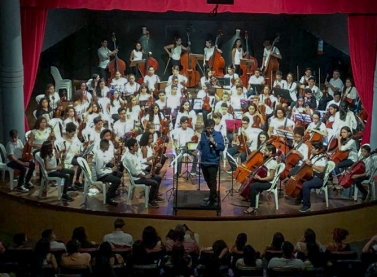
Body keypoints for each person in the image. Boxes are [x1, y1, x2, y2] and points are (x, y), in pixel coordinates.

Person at [122, 138, 163, 208]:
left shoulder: (135, 154)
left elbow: (142, 160)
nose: (138, 146)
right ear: (131, 147)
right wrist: (145, 176)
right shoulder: (128, 158)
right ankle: (150, 201)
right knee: (154, 183)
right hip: (136, 178)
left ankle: (154, 196)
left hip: (141, 173)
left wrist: (153, 156)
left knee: (158, 178)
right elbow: (134, 172)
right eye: (136, 145)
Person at [193, 119, 225, 207]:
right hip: (204, 161)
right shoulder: (203, 134)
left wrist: (214, 142)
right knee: (207, 180)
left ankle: (212, 200)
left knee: (212, 181)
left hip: (213, 162)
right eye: (208, 128)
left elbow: (222, 147)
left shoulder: (218, 135)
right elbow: (201, 143)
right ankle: (213, 195)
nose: (210, 130)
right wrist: (197, 149)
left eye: (211, 128)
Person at [244, 144, 278, 214]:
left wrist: (260, 179)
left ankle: (252, 206)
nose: (264, 152)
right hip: (264, 180)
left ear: (271, 152)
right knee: (251, 182)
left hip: (269, 183)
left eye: (266, 150)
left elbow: (271, 177)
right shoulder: (267, 160)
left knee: (253, 186)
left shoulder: (273, 162)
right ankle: (249, 197)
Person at [297, 141, 328, 212]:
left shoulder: (323, 158)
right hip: (311, 176)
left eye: (312, 148)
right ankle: (301, 198)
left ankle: (307, 205)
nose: (310, 149)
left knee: (305, 185)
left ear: (317, 149)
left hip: (319, 179)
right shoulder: (312, 155)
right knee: (301, 180)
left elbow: (321, 170)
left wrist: (311, 165)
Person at [92, 139, 122, 205]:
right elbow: (99, 172)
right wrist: (111, 170)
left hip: (102, 173)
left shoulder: (101, 152)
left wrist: (110, 163)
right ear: (106, 146)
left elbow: (103, 164)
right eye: (109, 145)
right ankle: (108, 198)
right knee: (117, 180)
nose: (109, 146)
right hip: (99, 176)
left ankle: (112, 191)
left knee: (119, 173)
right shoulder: (99, 156)